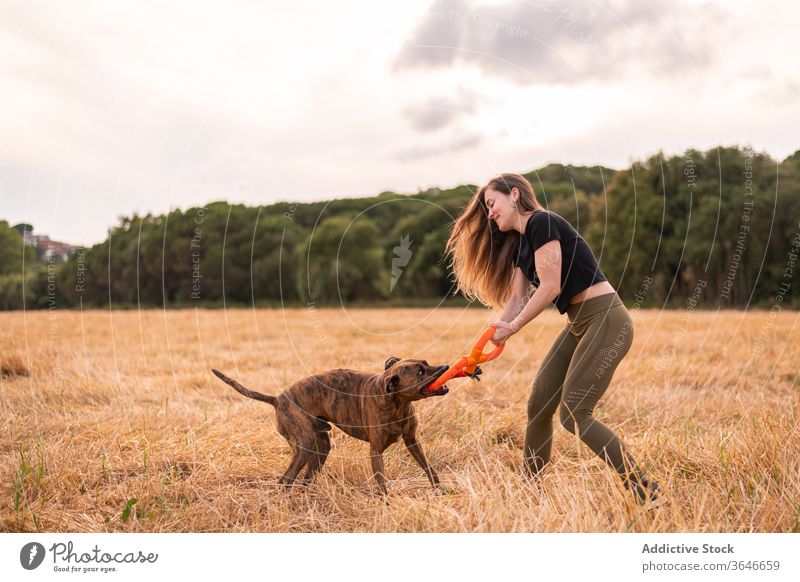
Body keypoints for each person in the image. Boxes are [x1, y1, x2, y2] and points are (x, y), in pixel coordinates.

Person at [445, 173, 661, 505]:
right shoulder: (523, 245)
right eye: (486, 208)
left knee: (575, 411)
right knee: (539, 404)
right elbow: (515, 300)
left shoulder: (542, 223)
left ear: (514, 194)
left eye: (492, 204)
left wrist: (514, 326)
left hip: (606, 318)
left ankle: (645, 490)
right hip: (580, 322)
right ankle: (531, 493)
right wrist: (484, 343)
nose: (489, 213)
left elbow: (550, 287)